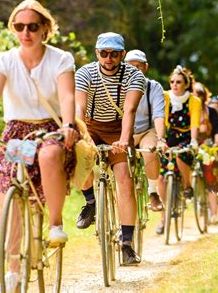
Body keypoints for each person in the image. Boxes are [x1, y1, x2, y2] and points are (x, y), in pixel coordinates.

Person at [0, 0, 78, 290]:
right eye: (19, 26)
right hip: (17, 133)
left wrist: (68, 125)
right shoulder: (4, 61)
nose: (25, 32)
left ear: (45, 29)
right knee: (10, 188)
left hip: (51, 128)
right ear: (13, 29)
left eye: (32, 26)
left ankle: (55, 225)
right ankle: (13, 268)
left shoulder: (61, 59)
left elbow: (67, 97)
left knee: (50, 155)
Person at [75, 32, 144, 265]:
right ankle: (90, 203)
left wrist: (124, 139)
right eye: (103, 53)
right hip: (90, 125)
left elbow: (131, 110)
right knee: (79, 158)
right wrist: (83, 137)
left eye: (114, 54)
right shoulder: (85, 72)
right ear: (97, 53)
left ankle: (126, 243)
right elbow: (80, 108)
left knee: (124, 177)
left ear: (122, 55)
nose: (108, 58)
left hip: (118, 128)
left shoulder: (134, 75)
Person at [156, 65, 201, 234]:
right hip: (169, 137)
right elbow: (162, 118)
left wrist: (194, 141)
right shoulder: (166, 97)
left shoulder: (193, 100)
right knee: (161, 177)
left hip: (186, 137)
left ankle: (188, 186)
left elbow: (195, 122)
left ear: (186, 84)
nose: (174, 85)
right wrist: (162, 139)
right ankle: (163, 218)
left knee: (182, 157)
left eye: (179, 82)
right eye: (172, 82)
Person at [125, 49, 167, 211]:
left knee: (150, 150)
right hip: (124, 131)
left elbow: (158, 115)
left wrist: (161, 139)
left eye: (139, 66)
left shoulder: (153, 87)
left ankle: (152, 191)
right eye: (130, 66)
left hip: (145, 131)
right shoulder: (118, 86)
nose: (135, 70)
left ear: (146, 67)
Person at [193, 83, 218, 224]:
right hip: (191, 145)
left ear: (204, 96)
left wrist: (217, 141)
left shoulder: (210, 111)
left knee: (210, 179)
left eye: (199, 93)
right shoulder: (186, 110)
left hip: (207, 145)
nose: (196, 96)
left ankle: (214, 213)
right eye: (194, 93)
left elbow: (217, 129)